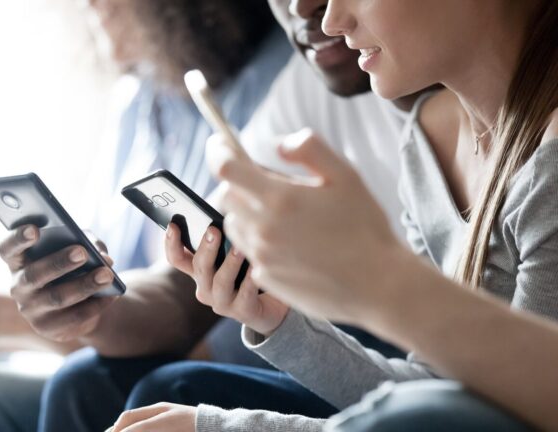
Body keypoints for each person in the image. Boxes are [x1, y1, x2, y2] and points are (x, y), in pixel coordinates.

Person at [111, 0, 558, 430]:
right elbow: (436, 394)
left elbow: (514, 414)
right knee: (163, 389)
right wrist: (278, 320)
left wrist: (223, 429)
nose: (331, 20)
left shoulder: (549, 162)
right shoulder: (426, 139)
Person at [0, 0, 290, 431]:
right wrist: (57, 298)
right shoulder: (139, 100)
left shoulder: (274, 90)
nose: (88, 5)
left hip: (181, 366)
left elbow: (195, 337)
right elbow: (111, 289)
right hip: (109, 347)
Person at [5, 0, 437, 430]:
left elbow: (449, 402)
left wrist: (215, 424)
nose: (305, 9)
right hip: (399, 369)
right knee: (85, 385)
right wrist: (95, 302)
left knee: (171, 390)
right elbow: (185, 289)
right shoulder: (308, 86)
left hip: (409, 360)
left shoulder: (445, 124)